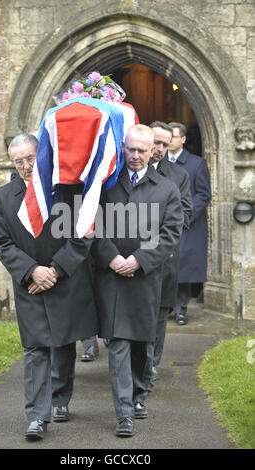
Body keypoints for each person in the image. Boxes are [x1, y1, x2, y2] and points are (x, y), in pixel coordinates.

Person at [0, 134, 98, 440]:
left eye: (30, 158)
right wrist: (32, 271)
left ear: (42, 155)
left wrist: (55, 270)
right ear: (12, 162)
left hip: (65, 279)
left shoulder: (67, 191)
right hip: (30, 286)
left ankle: (60, 399)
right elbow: (0, 242)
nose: (26, 166)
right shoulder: (2, 197)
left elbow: (83, 235)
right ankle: (37, 415)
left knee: (63, 344)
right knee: (36, 348)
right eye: (19, 160)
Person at [93, 124, 183, 437]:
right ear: (123, 147)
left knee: (142, 345)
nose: (135, 156)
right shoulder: (106, 185)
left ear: (154, 151)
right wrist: (112, 257)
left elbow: (170, 232)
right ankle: (124, 413)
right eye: (130, 149)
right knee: (118, 343)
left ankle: (138, 394)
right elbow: (93, 226)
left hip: (146, 280)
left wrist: (139, 260)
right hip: (113, 277)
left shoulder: (167, 188)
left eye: (142, 151)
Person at [147, 121, 192, 387]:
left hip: (165, 255)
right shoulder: (125, 169)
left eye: (165, 144)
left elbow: (186, 214)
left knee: (161, 312)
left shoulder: (178, 176)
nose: (160, 148)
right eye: (156, 142)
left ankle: (152, 363)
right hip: (131, 254)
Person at [167, 122, 212, 325]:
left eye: (173, 137)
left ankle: (181, 309)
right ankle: (165, 305)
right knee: (165, 264)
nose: (169, 141)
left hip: (188, 224)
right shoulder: (158, 163)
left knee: (183, 266)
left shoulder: (196, 164)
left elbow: (203, 194)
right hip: (163, 223)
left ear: (183, 139)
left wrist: (185, 215)